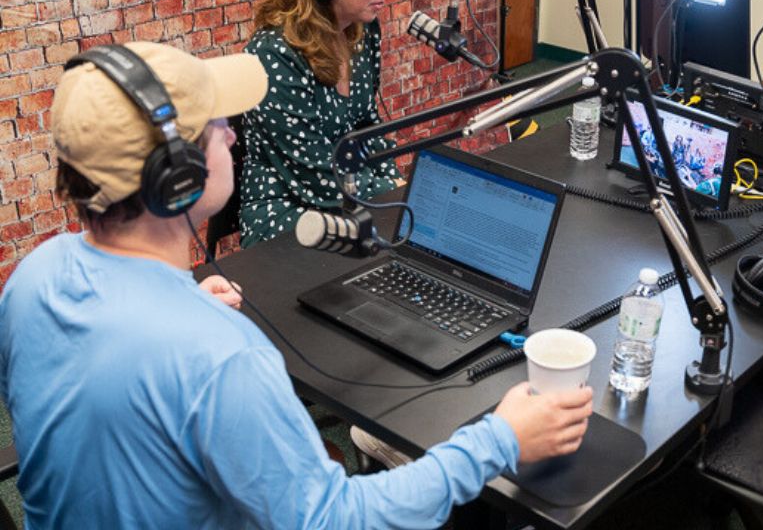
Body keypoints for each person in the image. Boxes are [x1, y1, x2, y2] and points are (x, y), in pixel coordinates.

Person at [0, 42, 594, 528]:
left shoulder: (32, 280)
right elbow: (335, 521)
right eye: (216, 127)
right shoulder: (221, 356)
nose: (233, 135)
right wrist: (499, 439)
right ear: (177, 177)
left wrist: (179, 305)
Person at [240, 0, 403, 248]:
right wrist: (394, 203)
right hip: (289, 216)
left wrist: (398, 184)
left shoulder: (363, 30)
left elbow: (367, 127)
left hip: (351, 200)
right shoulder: (273, 54)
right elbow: (314, 172)